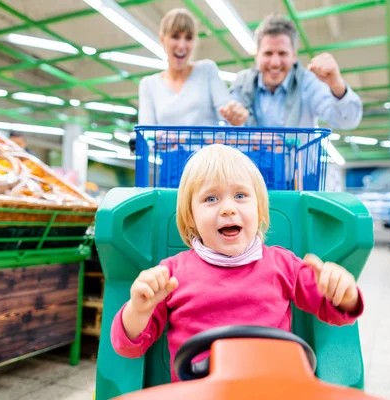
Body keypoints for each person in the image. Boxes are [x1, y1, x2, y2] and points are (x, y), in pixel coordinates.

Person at [110, 144, 365, 381]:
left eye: (241, 195)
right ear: (190, 218)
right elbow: (128, 346)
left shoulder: (284, 265)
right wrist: (138, 310)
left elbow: (336, 310)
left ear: (260, 210)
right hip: (199, 392)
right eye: (211, 199)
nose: (228, 209)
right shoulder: (170, 275)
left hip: (272, 388)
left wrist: (343, 292)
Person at [220, 14, 362, 129]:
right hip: (252, 164)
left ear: (294, 56)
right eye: (268, 53)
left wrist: (336, 84)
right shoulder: (242, 82)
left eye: (282, 53)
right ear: (257, 55)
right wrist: (233, 120)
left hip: (297, 164)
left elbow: (347, 122)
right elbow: (225, 125)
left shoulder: (308, 83)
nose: (275, 63)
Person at [138, 8, 248, 126]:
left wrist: (235, 115)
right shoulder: (148, 85)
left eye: (189, 38)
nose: (182, 45)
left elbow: (227, 116)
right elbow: (146, 133)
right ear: (162, 39)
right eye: (175, 36)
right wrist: (159, 138)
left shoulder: (207, 70)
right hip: (166, 145)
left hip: (208, 145)